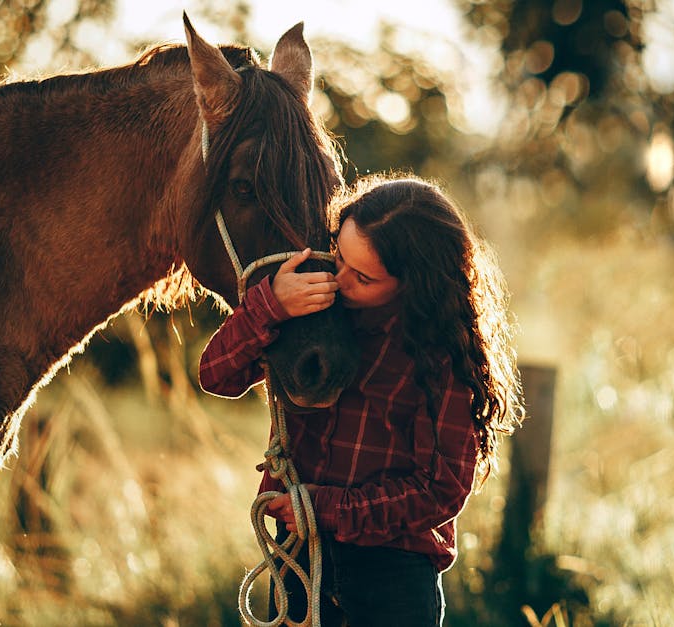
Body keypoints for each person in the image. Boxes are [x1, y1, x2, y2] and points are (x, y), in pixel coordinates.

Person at [199, 175, 523, 626]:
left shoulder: (439, 356)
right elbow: (217, 375)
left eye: (363, 277)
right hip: (300, 560)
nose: (340, 280)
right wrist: (270, 305)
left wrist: (324, 509)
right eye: (339, 257)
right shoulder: (313, 312)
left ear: (413, 284)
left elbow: (441, 489)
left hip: (392, 577)